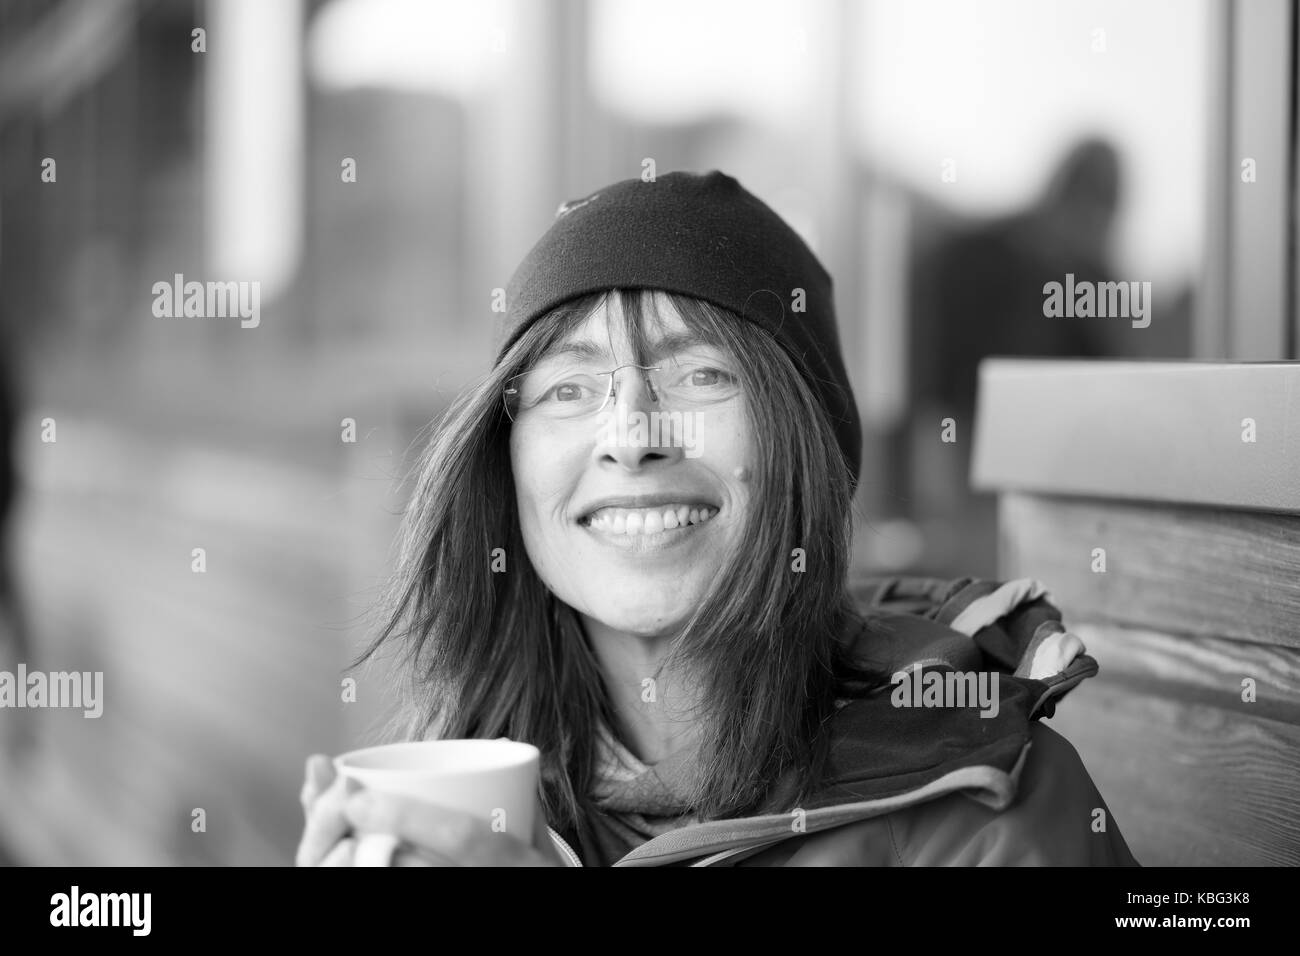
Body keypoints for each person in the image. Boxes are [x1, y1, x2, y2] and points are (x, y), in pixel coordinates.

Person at [296, 170, 1138, 867]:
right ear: (505, 466)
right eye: (569, 388)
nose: (631, 438)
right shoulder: (472, 785)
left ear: (808, 447)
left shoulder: (993, 806)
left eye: (700, 375)